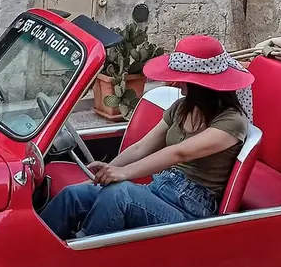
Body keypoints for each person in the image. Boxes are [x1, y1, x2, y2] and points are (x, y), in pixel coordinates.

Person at [39, 34, 254, 240]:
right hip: (159, 189)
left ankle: (78, 262)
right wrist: (103, 175)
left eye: (182, 79)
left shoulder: (232, 122)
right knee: (73, 195)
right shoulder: (182, 108)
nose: (175, 84)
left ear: (201, 86)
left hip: (190, 211)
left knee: (120, 195)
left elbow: (178, 153)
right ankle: (31, 251)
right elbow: (141, 147)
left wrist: (123, 174)